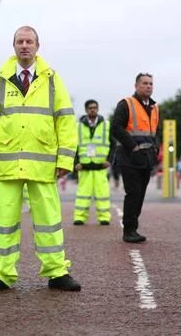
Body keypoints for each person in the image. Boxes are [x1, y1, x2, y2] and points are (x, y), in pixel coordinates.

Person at [0, 26, 81, 293]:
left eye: (29, 41)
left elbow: (66, 121)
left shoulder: (52, 79)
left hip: (43, 163)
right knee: (3, 222)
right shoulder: (0, 79)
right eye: (20, 41)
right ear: (13, 46)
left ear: (38, 46)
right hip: (7, 164)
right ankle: (0, 273)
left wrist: (65, 159)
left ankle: (57, 271)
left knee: (49, 221)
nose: (25, 45)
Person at [110, 73, 160, 243]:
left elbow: (155, 132)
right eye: (145, 83)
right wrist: (133, 147)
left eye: (151, 84)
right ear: (136, 86)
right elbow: (116, 128)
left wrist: (156, 150)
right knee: (133, 193)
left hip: (146, 158)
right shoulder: (126, 104)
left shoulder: (154, 107)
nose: (148, 86)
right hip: (129, 157)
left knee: (140, 195)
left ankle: (133, 228)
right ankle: (129, 230)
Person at [72, 99, 111, 226]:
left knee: (102, 193)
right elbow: (73, 146)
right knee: (82, 194)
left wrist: (109, 160)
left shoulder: (106, 125)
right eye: (90, 108)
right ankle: (79, 217)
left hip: (101, 167)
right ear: (86, 110)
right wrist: (75, 163)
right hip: (84, 166)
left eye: (94, 107)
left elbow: (114, 144)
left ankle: (104, 217)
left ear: (98, 109)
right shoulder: (77, 127)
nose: (92, 109)